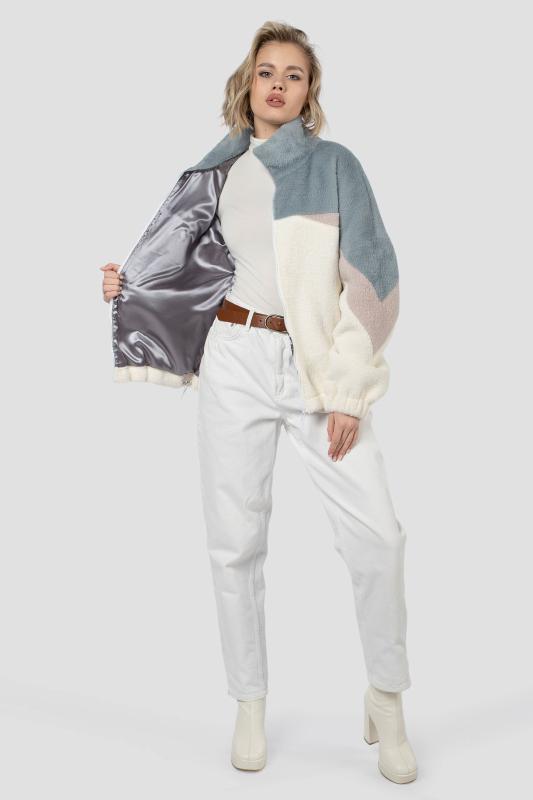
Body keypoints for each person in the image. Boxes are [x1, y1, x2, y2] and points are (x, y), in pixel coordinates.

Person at [101, 21, 417, 784]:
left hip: (314, 367)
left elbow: (374, 283)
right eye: (266, 71)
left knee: (378, 536)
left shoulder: (333, 165)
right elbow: (181, 263)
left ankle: (385, 697)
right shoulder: (215, 168)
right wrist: (127, 288)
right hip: (233, 356)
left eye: (294, 75)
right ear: (247, 83)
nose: (278, 84)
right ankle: (248, 701)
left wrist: (345, 389)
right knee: (234, 541)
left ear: (310, 93)